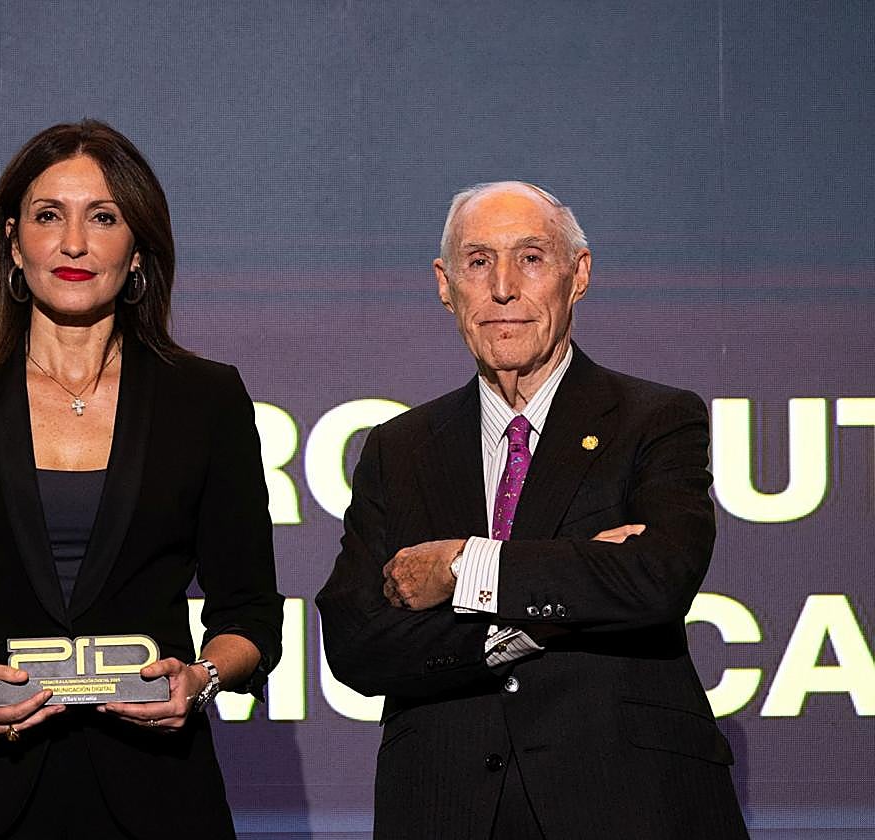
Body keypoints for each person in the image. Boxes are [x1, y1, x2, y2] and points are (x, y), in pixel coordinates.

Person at [0, 120, 283, 839]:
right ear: (14, 242)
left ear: (137, 249)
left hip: (159, 794)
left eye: (102, 217)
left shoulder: (206, 397)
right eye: (50, 216)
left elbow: (253, 615)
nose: (74, 243)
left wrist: (200, 680)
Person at [316, 182, 748, 839]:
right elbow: (357, 642)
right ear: (445, 283)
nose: (503, 289)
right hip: (445, 807)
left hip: (626, 802)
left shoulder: (655, 419)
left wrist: (466, 568)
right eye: (479, 261)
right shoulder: (399, 449)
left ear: (579, 276)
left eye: (532, 259)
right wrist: (538, 619)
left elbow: (657, 577)